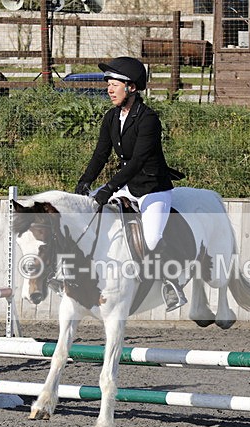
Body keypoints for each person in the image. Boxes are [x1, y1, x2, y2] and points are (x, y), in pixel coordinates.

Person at [74, 56, 187, 311]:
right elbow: (100, 154)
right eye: (108, 84)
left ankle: (172, 284)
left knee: (152, 238)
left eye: (115, 84)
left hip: (152, 188)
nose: (109, 89)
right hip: (127, 185)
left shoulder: (149, 119)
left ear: (132, 88)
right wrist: (85, 182)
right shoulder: (111, 118)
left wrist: (108, 189)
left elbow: (137, 162)